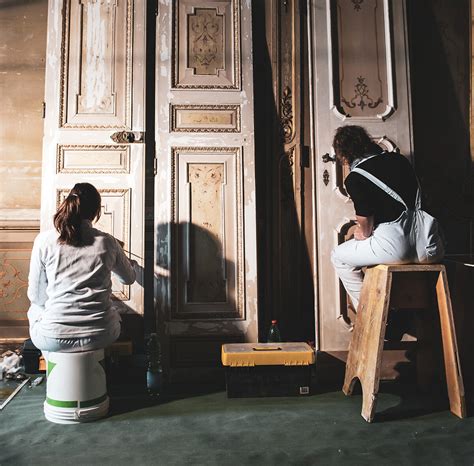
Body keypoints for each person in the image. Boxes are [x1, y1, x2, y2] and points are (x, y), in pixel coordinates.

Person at [330, 125, 443, 310]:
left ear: (344, 154)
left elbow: (366, 222)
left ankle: (370, 313)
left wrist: (362, 233)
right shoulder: (400, 160)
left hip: (396, 249)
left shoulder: (355, 178)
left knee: (338, 257)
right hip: (431, 247)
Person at [27, 183, 137, 353]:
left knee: (36, 307)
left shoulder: (44, 240)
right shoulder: (108, 242)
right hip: (101, 334)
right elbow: (128, 279)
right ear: (96, 212)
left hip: (52, 338)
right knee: (112, 312)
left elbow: (36, 295)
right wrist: (128, 264)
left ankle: (54, 369)